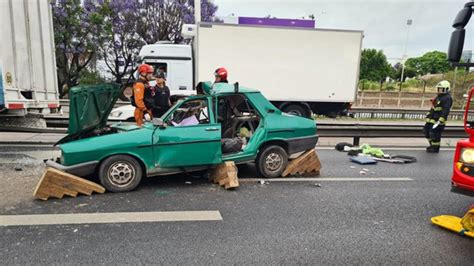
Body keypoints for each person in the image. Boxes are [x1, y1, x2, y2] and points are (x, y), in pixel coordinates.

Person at [423, 80, 453, 153]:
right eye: (438, 88)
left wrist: (441, 120)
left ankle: (435, 148)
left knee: (434, 134)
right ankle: (432, 145)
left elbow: (446, 110)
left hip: (438, 121)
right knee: (426, 131)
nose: (439, 90)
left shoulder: (448, 98)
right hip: (432, 119)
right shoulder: (438, 97)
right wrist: (428, 115)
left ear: (446, 89)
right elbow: (434, 108)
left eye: (440, 89)